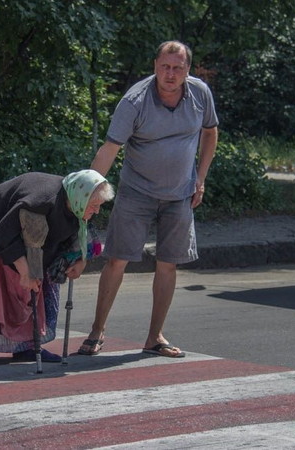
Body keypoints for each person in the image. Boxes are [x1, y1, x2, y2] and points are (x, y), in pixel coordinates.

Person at [79, 40, 219, 358]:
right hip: (136, 192)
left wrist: (201, 177)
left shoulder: (200, 94)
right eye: (165, 67)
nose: (170, 74)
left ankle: (154, 336)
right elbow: (109, 150)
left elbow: (210, 132)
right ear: (155, 65)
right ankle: (96, 331)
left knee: (168, 265)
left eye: (177, 68)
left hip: (180, 195)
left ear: (187, 71)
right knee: (117, 260)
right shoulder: (135, 101)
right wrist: (86, 193)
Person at [0, 169, 114, 362]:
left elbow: (74, 236)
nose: (97, 211)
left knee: (35, 287)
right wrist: (24, 271)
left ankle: (27, 346)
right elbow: (4, 234)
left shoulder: (78, 203)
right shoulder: (41, 201)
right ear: (81, 197)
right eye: (94, 205)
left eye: (99, 206)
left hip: (31, 238)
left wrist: (79, 261)